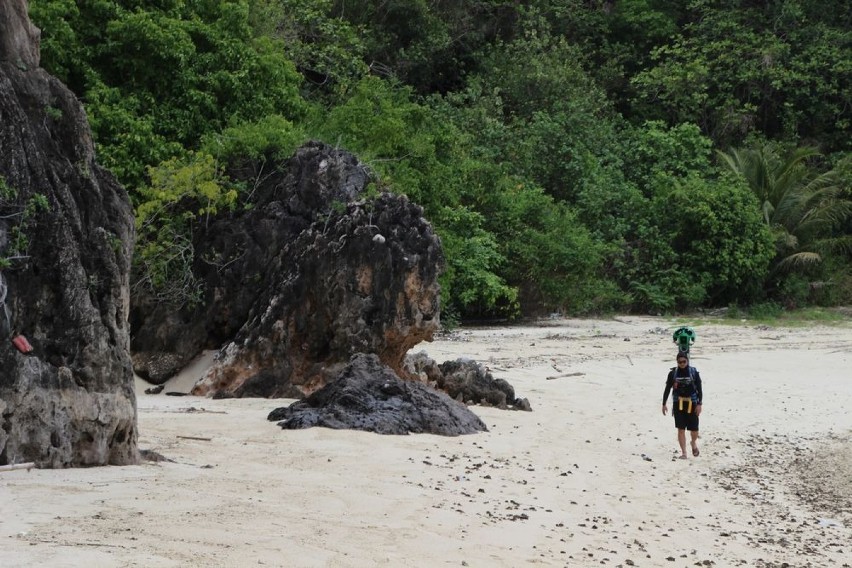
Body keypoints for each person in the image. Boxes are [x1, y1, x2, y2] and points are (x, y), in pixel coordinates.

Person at [662, 351, 703, 459]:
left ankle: (693, 443)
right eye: (680, 362)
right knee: (680, 429)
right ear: (677, 362)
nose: (682, 364)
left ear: (687, 361)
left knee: (694, 429)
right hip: (678, 402)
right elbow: (667, 388)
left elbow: (699, 389)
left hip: (692, 402)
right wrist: (664, 403)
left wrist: (699, 404)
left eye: (684, 361)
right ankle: (684, 452)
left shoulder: (693, 372)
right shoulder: (673, 374)